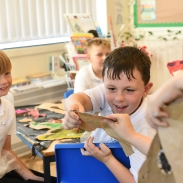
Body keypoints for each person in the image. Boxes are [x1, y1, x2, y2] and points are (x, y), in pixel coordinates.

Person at [63, 46, 156, 182]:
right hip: (93, 170)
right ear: (104, 83)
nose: (119, 98)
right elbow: (78, 98)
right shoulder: (108, 91)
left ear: (146, 89)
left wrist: (107, 160)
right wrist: (72, 109)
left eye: (129, 90)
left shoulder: (146, 128)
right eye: (111, 88)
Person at [0, 50, 55, 183]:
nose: (4, 81)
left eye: (7, 73)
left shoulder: (7, 104)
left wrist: (31, 177)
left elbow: (6, 149)